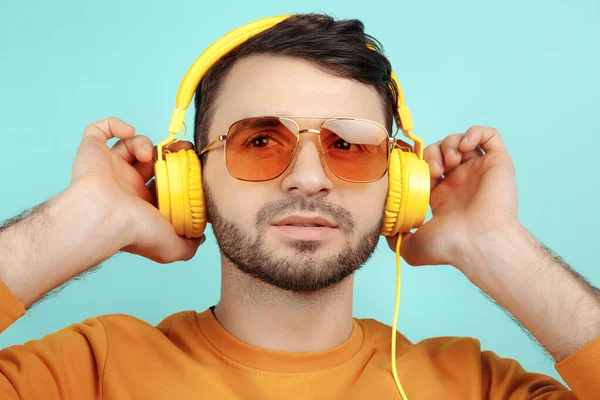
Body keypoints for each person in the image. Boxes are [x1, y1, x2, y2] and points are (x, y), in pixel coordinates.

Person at [0, 13, 598, 400]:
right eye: (259, 141)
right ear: (188, 176)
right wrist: (82, 220)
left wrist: (497, 247)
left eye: (349, 145)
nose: (308, 180)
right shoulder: (86, 372)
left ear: (400, 185)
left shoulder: (476, 388)